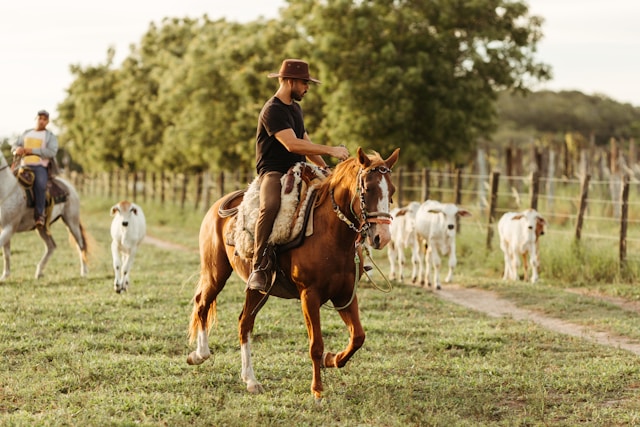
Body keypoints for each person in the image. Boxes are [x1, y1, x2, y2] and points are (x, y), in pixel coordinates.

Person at [247, 59, 350, 294]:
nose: (307, 88)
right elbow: (292, 145)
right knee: (270, 205)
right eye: (305, 83)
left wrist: (326, 169)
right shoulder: (272, 110)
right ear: (290, 81)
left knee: (335, 199)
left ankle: (347, 257)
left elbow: (305, 142)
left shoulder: (295, 108)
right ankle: (259, 265)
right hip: (273, 171)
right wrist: (331, 150)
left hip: (298, 169)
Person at [12, 109, 59, 228]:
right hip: (23, 165)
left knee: (40, 185)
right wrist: (16, 150)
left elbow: (51, 152)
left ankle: (39, 215)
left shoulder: (50, 136)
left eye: (45, 119)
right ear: (35, 119)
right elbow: (15, 145)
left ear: (47, 122)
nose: (42, 121)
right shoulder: (26, 133)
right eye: (40, 118)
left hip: (39, 167)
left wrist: (32, 151)